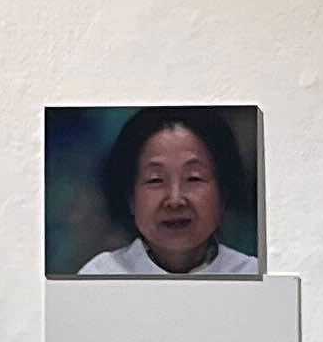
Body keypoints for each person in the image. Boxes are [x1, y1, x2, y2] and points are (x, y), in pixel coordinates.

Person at [77, 108, 264, 276]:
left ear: (223, 192)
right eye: (155, 180)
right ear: (130, 197)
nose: (175, 200)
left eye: (193, 178)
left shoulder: (251, 275)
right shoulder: (101, 276)